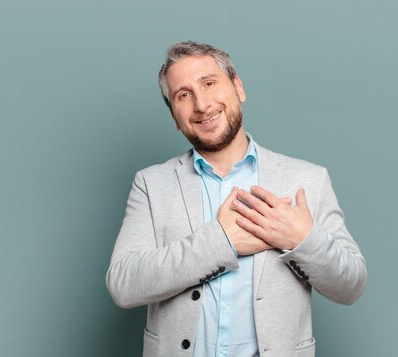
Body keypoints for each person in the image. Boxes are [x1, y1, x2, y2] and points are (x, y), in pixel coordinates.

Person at [106, 41, 367, 357]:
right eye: (183, 95)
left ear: (238, 88)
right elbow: (123, 283)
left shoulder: (308, 179)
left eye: (209, 83)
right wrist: (222, 241)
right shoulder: (152, 184)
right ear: (175, 117)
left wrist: (303, 239)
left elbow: (351, 285)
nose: (201, 104)